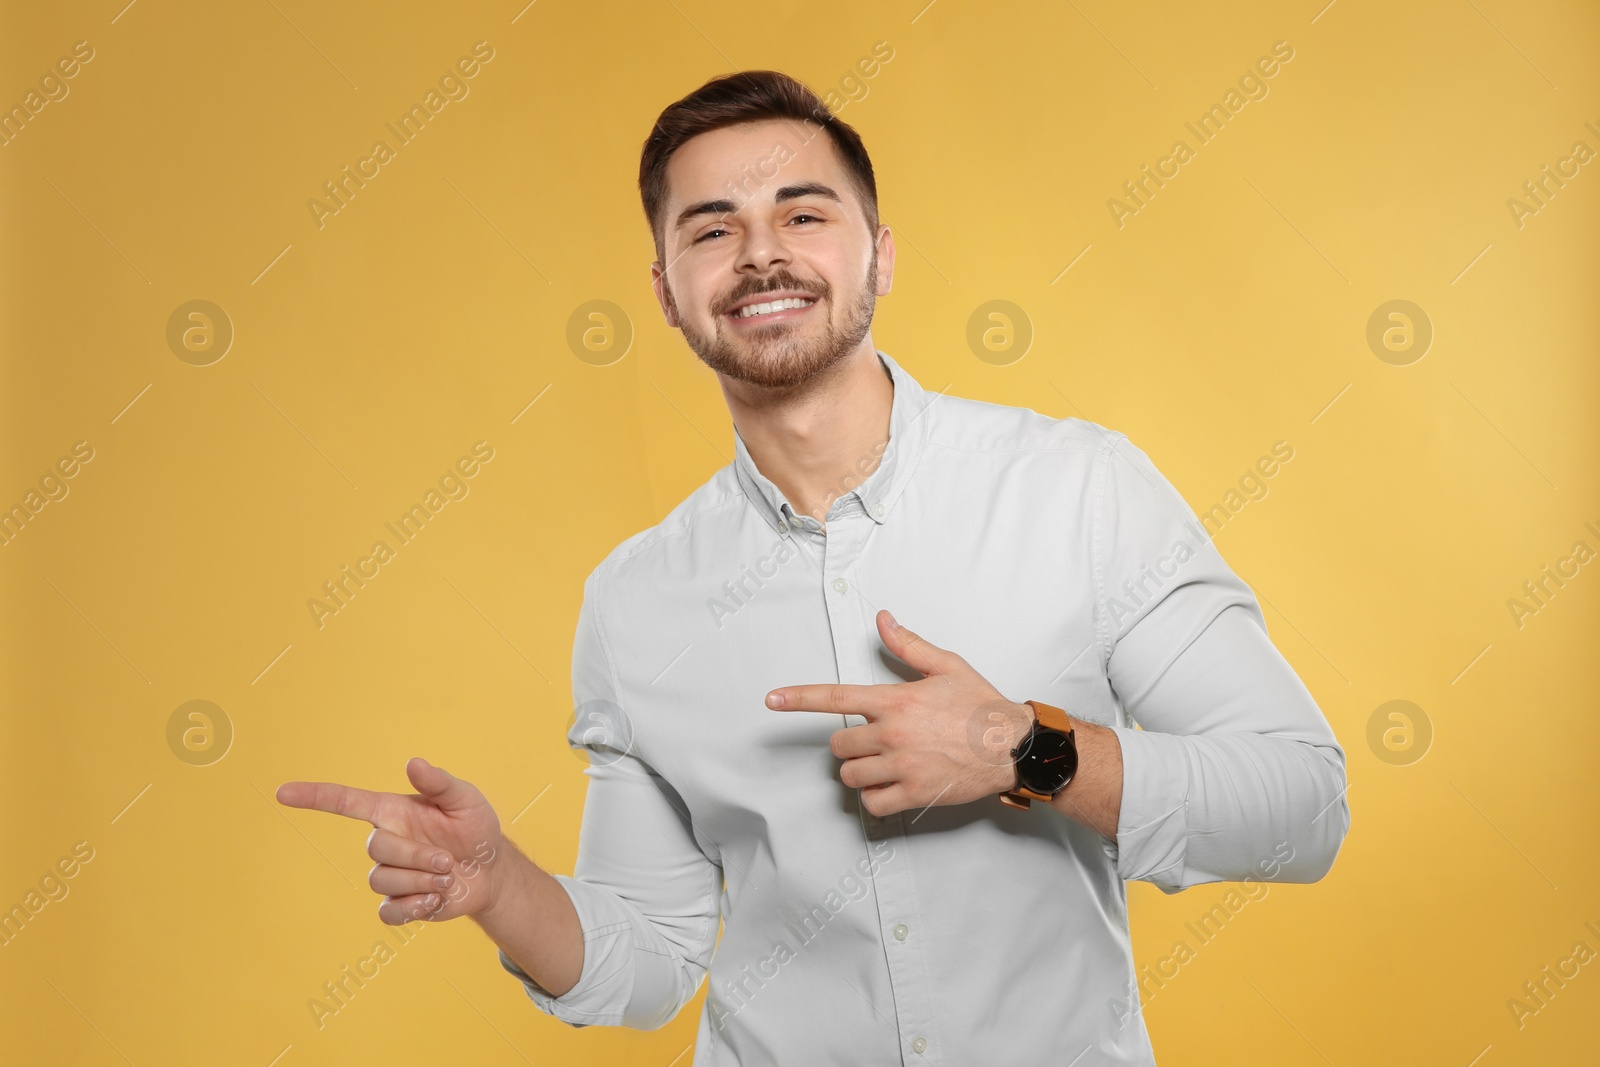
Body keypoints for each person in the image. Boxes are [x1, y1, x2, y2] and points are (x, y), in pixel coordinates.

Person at [278, 69, 1350, 1065]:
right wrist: (498, 882)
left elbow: (1301, 805)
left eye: (802, 213)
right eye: (714, 229)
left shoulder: (1078, 489)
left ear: (878, 253)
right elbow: (649, 961)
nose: (760, 255)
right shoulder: (634, 601)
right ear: (665, 289)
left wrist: (1022, 748)